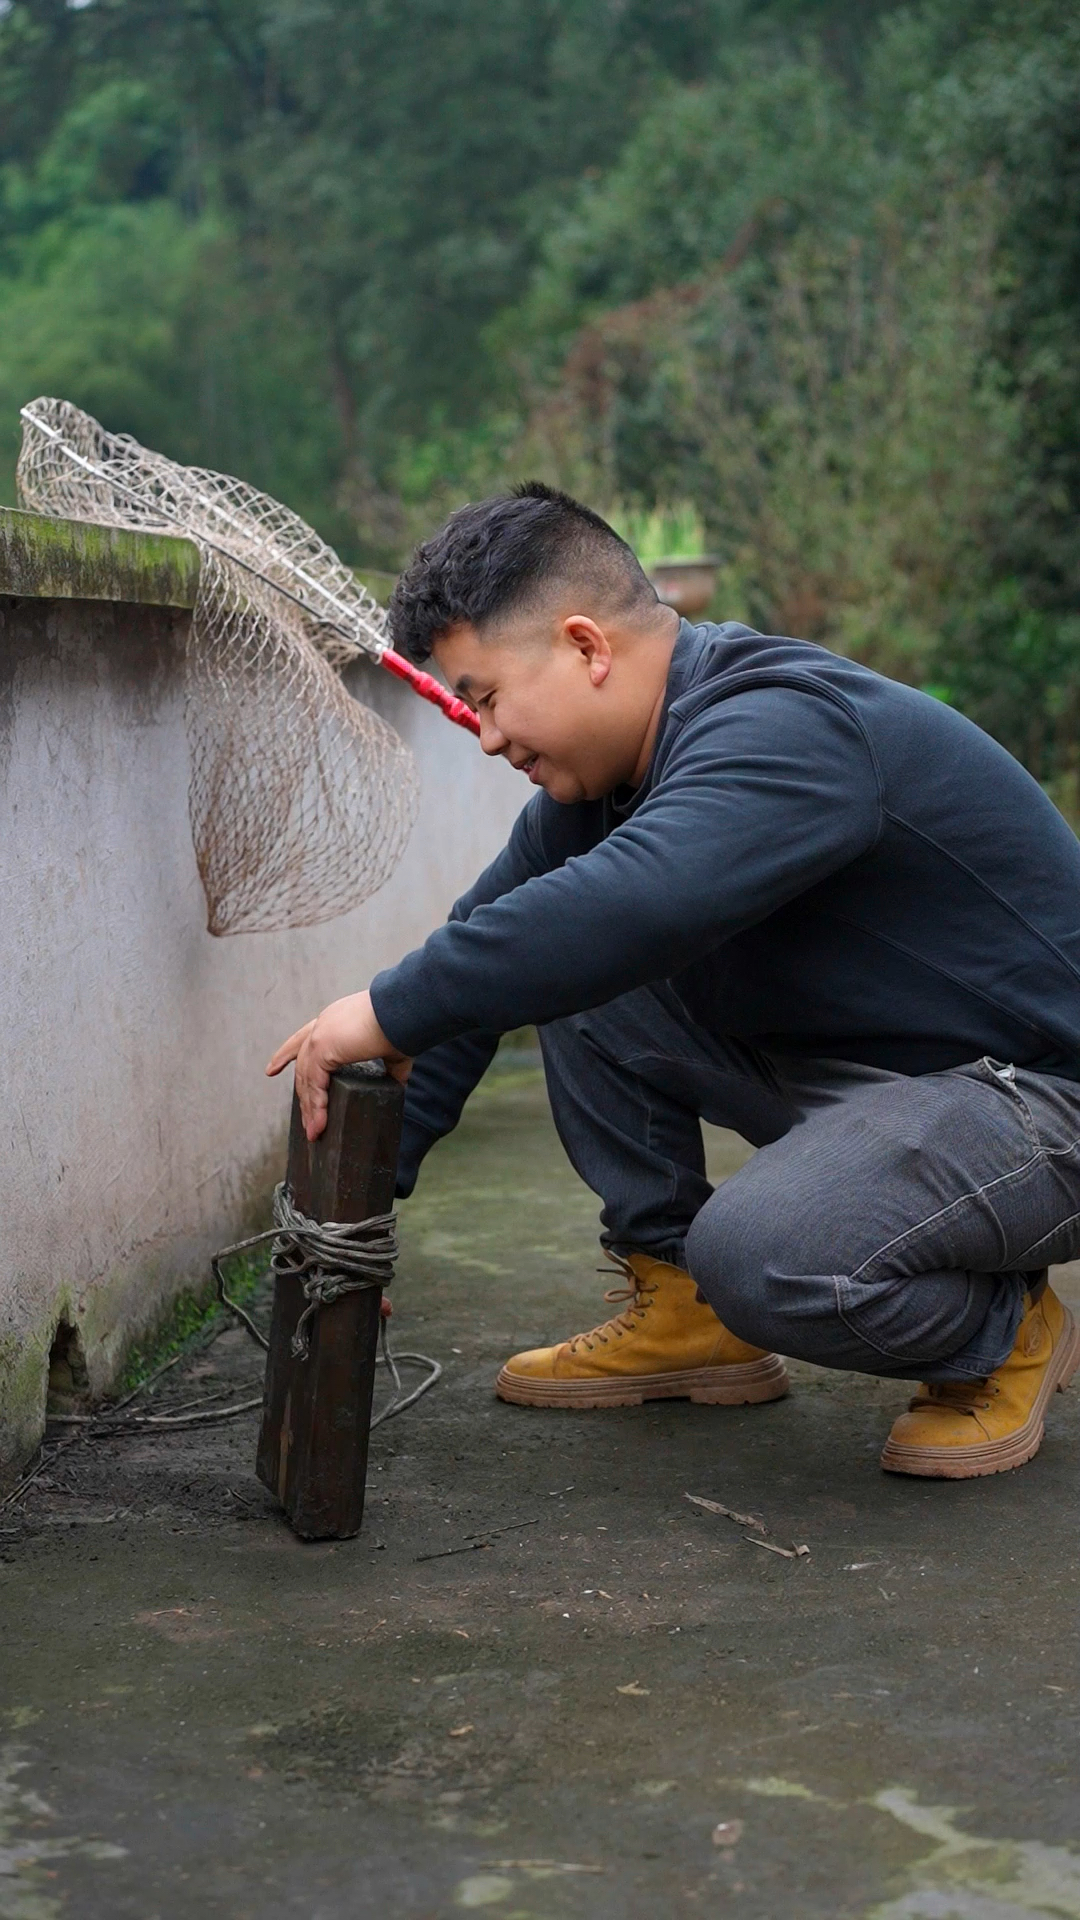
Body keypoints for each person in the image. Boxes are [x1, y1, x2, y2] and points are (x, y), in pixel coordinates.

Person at [268, 482, 1080, 1480]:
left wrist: (379, 1010)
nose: (482, 735)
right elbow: (492, 947)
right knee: (550, 947)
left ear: (585, 647)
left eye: (483, 697)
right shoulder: (606, 784)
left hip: (1040, 1098)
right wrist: (364, 1202)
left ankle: (1006, 1333)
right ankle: (687, 1310)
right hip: (902, 1083)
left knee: (763, 1251)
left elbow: (633, 906)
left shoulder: (784, 727)